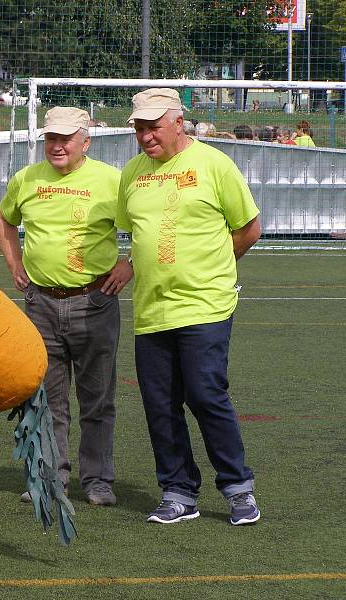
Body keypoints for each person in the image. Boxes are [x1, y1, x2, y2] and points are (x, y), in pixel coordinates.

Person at [116, 88, 262, 526]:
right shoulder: (133, 173)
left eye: (152, 127)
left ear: (178, 122)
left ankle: (238, 488)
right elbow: (133, 233)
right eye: (139, 128)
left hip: (206, 304)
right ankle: (178, 492)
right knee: (160, 404)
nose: (145, 137)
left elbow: (249, 228)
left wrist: (211, 269)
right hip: (151, 309)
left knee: (205, 395)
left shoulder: (214, 164)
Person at [0, 107, 133, 507]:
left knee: (97, 398)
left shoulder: (112, 180)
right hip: (41, 303)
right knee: (44, 398)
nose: (56, 145)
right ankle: (50, 479)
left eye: (65, 138)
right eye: (50, 138)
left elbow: (144, 225)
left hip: (95, 301)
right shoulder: (26, 179)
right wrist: (14, 262)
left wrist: (130, 263)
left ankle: (98, 481)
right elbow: (3, 221)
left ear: (85, 142)